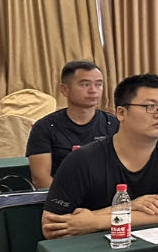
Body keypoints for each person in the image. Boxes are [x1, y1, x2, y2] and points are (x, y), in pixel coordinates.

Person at [41, 73, 158, 239]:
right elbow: (50, 226)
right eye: (150, 106)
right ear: (121, 113)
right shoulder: (81, 159)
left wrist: (96, 221)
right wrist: (127, 207)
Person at [26, 59, 119, 189]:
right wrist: (70, 197)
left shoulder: (114, 124)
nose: (93, 90)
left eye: (98, 84)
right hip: (62, 196)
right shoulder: (44, 127)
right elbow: (40, 179)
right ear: (64, 90)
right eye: (85, 84)